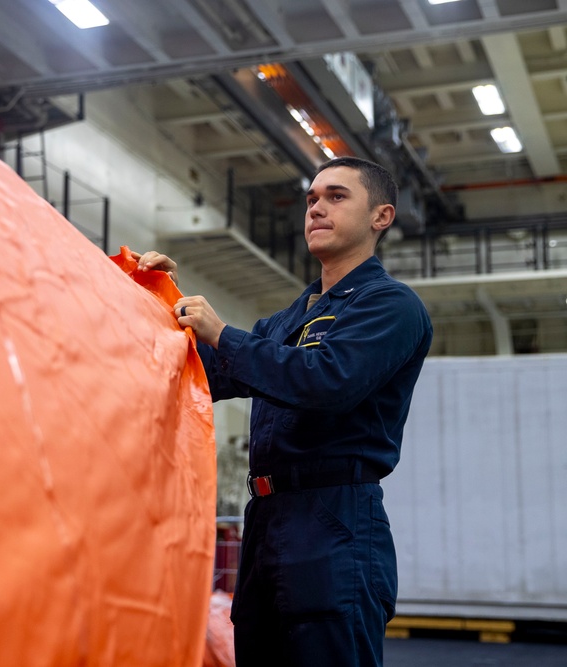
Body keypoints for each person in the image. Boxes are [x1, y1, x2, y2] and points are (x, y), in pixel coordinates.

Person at [136, 156, 433, 667]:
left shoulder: (390, 306)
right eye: (312, 199)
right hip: (268, 520)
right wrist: (161, 302)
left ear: (381, 217)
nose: (316, 208)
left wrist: (223, 333)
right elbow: (210, 373)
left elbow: (328, 381)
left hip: (334, 521)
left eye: (336, 197)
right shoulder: (289, 319)